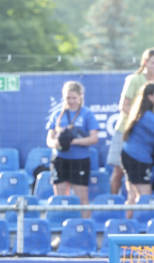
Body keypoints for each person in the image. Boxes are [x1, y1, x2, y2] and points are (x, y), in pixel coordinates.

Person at [45, 81, 100, 210]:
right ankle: (62, 226)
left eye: (74, 98)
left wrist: (73, 142)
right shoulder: (57, 114)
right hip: (60, 159)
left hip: (80, 160)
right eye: (68, 98)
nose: (71, 101)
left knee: (82, 198)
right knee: (60, 198)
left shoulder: (87, 114)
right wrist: (57, 144)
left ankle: (85, 226)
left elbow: (94, 138)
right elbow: (49, 140)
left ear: (81, 96)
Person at [108, 48, 154, 196]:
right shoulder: (134, 79)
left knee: (138, 180)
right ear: (145, 63)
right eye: (153, 62)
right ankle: (113, 202)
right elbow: (123, 105)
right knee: (118, 171)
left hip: (147, 136)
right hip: (126, 131)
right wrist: (140, 120)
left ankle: (134, 212)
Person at [121, 82, 154, 214]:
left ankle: (129, 227)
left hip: (130, 155)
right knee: (145, 197)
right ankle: (143, 229)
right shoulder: (147, 117)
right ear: (150, 97)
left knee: (132, 196)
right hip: (137, 159)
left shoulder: (141, 112)